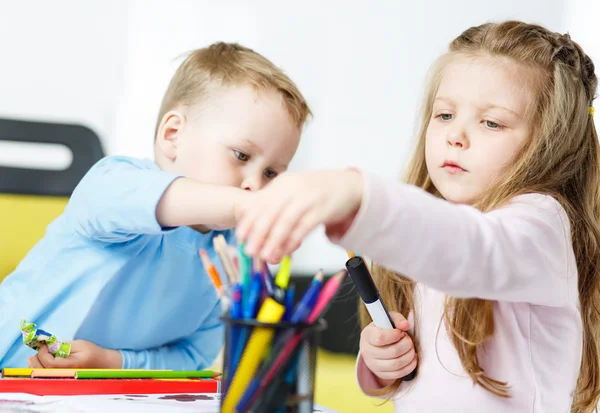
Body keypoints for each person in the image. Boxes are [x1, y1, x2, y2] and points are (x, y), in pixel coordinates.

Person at [236, 21, 599, 412]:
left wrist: (356, 194)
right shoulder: (436, 228)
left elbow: (470, 250)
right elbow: (418, 384)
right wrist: (380, 364)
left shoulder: (543, 226)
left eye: (491, 122)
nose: (455, 135)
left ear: (550, 145)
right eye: (444, 115)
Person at [0, 42, 311, 371]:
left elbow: (192, 357)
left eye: (271, 173)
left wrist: (112, 362)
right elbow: (154, 199)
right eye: (241, 155)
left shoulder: (231, 261)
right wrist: (243, 206)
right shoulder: (114, 182)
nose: (255, 185)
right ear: (173, 134)